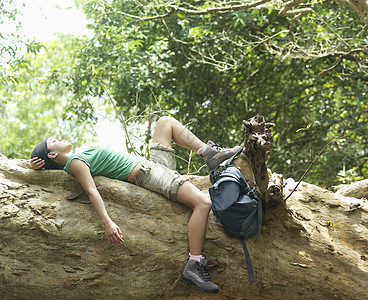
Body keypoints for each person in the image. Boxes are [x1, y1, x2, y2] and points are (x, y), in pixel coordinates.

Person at [30, 116, 241, 294]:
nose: (58, 137)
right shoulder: (74, 162)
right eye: (52, 141)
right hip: (148, 174)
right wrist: (108, 223)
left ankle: (209, 153)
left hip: (152, 166)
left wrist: (38, 164)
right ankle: (195, 263)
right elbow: (92, 191)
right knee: (203, 203)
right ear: (52, 154)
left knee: (165, 122)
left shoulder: (77, 158)